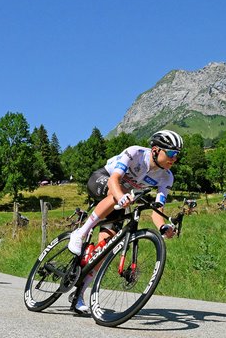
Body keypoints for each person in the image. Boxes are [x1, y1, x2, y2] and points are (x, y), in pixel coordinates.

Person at [67, 130, 181, 314]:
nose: (174, 158)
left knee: (105, 248)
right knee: (115, 193)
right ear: (155, 150)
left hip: (122, 198)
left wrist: (162, 226)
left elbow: (157, 208)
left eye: (177, 155)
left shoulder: (167, 177)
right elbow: (114, 179)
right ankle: (80, 233)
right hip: (102, 181)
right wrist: (120, 197)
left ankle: (78, 294)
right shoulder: (136, 153)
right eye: (171, 153)